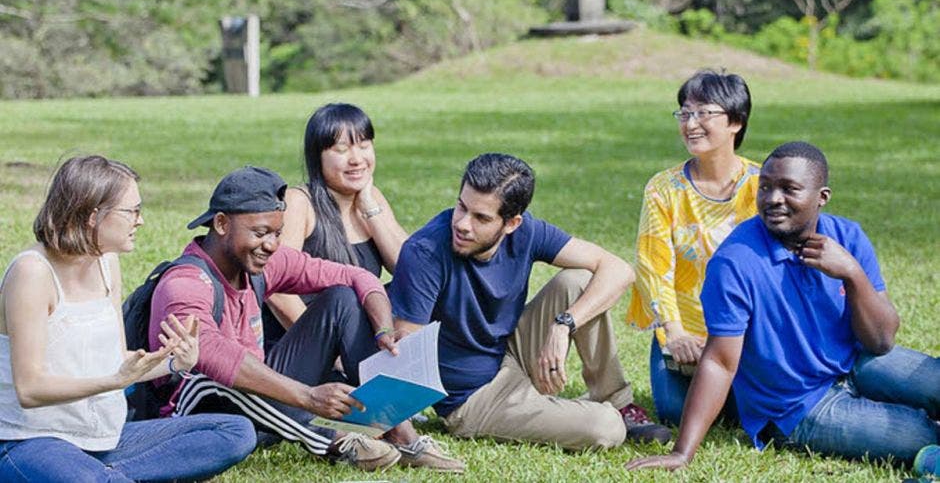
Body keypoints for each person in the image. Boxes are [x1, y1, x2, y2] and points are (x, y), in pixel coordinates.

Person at [626, 142, 939, 471]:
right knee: (918, 436)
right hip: (796, 405)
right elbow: (719, 362)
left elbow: (882, 341)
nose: (773, 199)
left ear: (822, 197)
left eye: (789, 189)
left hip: (852, 363)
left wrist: (852, 274)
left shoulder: (848, 237)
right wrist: (682, 452)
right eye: (765, 187)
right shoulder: (735, 262)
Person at [149, 166, 464, 472]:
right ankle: (338, 441)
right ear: (221, 224)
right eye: (260, 233)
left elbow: (354, 276)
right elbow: (210, 352)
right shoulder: (186, 282)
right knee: (216, 377)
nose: (271, 245)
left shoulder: (262, 263)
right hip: (200, 413)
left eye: (277, 233)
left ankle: (399, 430)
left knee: (341, 298)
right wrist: (308, 397)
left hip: (264, 407)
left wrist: (383, 327)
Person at [389, 152, 672, 450]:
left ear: (512, 223)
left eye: (481, 217)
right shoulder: (426, 251)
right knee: (606, 427)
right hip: (474, 398)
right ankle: (590, 413)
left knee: (580, 280)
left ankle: (618, 402)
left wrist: (564, 325)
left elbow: (619, 270)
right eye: (461, 207)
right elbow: (407, 352)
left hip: (512, 353)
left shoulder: (527, 233)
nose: (462, 224)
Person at [0, 155, 255, 481]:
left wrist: (176, 363)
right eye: (132, 211)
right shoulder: (32, 273)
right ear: (94, 216)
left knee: (233, 431)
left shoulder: (106, 262)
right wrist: (113, 382)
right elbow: (30, 388)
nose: (140, 220)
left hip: (103, 440)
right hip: (29, 440)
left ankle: (103, 475)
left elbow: (117, 362)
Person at [626, 70, 759, 426]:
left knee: (754, 407)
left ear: (735, 122)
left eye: (704, 113)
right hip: (684, 330)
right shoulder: (663, 188)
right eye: (685, 113)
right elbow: (653, 266)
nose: (691, 123)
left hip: (747, 330)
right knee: (676, 413)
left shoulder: (763, 185)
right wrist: (675, 332)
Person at [264, 102, 408, 349]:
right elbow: (276, 288)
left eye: (364, 146)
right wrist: (327, 350)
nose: (357, 159)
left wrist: (369, 206)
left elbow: (409, 270)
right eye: (342, 150)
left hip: (353, 334)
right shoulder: (300, 203)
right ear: (317, 156)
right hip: (304, 343)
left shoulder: (372, 197)